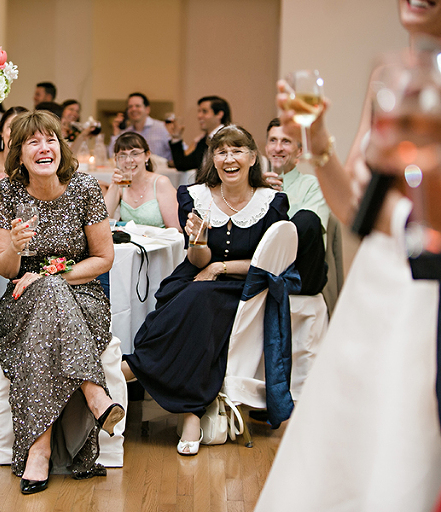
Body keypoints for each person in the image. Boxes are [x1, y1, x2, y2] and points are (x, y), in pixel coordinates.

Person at [254, 1, 441, 509]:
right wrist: (314, 136)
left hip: (428, 290)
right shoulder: (391, 74)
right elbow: (358, 210)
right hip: (379, 286)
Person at [122, 125, 288, 456]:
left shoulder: (272, 202)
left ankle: (133, 370)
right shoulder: (195, 196)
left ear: (253, 158)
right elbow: (198, 260)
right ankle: (190, 412)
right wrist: (198, 241)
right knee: (183, 304)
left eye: (238, 150)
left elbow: (268, 261)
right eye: (222, 151)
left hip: (242, 284)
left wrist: (219, 268)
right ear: (213, 158)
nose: (229, 158)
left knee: (198, 302)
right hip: (196, 275)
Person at [0, 110, 124, 494]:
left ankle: (39, 451)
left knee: (49, 290)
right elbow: (4, 268)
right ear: (19, 153)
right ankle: (95, 394)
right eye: (33, 141)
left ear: (61, 147)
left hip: (83, 299)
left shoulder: (83, 188)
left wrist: (50, 276)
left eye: (50, 139)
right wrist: (14, 248)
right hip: (21, 299)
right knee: (44, 295)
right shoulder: (6, 193)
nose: (44, 147)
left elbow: (103, 259)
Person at [263, 118, 329, 295]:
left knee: (306, 218)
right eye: (273, 141)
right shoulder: (252, 188)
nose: (278, 148)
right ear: (266, 148)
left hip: (301, 272)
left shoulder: (313, 186)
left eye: (286, 141)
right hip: (261, 267)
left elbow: (309, 233)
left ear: (299, 151)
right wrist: (257, 193)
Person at [103, 132, 180, 231]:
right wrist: (114, 185)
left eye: (135, 154)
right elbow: (102, 219)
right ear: (116, 160)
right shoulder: (121, 186)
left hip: (159, 243)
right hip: (132, 244)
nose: (128, 160)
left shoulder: (161, 182)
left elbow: (175, 229)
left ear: (147, 156)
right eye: (122, 156)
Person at [0, 105, 27, 216]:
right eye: (11, 126)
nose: (16, 132)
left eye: (21, 126)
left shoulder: (35, 167)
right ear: (1, 132)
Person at [168, 96, 231, 172]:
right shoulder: (204, 140)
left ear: (219, 114)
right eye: (199, 111)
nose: (199, 116)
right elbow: (183, 164)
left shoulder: (228, 138)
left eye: (204, 111)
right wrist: (176, 137)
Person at [109, 92, 172, 162]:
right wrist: (116, 132)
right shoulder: (127, 133)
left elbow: (181, 151)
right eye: (130, 107)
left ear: (147, 109)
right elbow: (113, 156)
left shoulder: (162, 128)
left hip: (161, 172)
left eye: (137, 106)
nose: (133, 109)